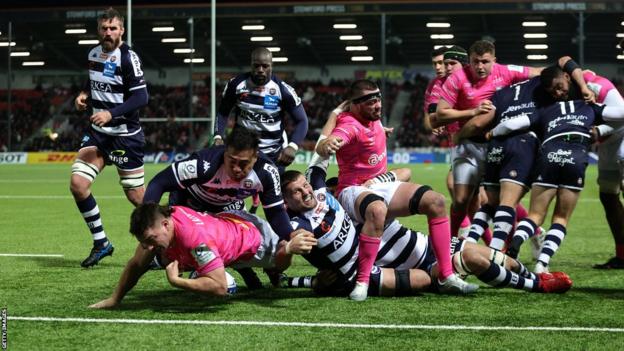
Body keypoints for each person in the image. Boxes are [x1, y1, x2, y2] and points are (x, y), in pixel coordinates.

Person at [281, 162, 572, 297]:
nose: (323, 194)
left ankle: (534, 275)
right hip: (405, 269)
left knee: (496, 256)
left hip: (424, 246)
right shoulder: (329, 217)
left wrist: (378, 180)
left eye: (331, 189)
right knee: (474, 259)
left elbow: (406, 173)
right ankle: (539, 287)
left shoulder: (359, 199)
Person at [316, 80, 472, 301]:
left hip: (381, 186)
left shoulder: (374, 120)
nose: (378, 105)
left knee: (436, 201)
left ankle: (446, 277)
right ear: (356, 105)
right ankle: (362, 281)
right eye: (371, 102)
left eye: (379, 99)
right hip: (353, 189)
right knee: (377, 210)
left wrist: (382, 130)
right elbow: (333, 139)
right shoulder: (350, 124)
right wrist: (328, 145)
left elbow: (372, 137)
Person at [486, 71, 624, 272]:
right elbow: (620, 115)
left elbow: (512, 124)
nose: (558, 92)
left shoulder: (544, 110)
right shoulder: (590, 106)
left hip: (549, 156)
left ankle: (515, 242)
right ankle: (542, 264)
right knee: (561, 218)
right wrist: (599, 131)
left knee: (535, 215)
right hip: (575, 157)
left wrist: (493, 132)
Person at [144, 126, 295, 288]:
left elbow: (276, 213)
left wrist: (291, 236)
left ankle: (256, 269)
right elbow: (158, 183)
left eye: (243, 164)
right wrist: (149, 221)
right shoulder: (203, 164)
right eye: (232, 161)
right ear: (224, 153)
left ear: (255, 158)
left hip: (227, 206)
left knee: (242, 241)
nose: (237, 169)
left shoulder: (266, 172)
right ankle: (159, 262)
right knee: (178, 253)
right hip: (191, 204)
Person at [88, 203, 316, 308]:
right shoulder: (167, 216)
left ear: (166, 224)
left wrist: (178, 281)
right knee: (150, 258)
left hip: (254, 241)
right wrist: (115, 299)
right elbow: (137, 264)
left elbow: (219, 288)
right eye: (144, 242)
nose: (147, 247)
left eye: (150, 240)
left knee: (280, 262)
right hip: (226, 222)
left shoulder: (195, 240)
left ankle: (286, 248)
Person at [436, 40, 543, 239]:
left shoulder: (506, 71)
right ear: (469, 61)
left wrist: (578, 74)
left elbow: (539, 72)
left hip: (497, 143)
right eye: (475, 62)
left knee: (501, 200)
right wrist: (473, 111)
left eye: (485, 62)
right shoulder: (457, 78)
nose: (480, 66)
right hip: (467, 143)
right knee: (460, 200)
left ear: (494, 60)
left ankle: (507, 249)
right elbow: (441, 114)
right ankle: (451, 242)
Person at [70, 8, 149, 267]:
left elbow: (141, 98)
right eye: (104, 28)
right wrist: (84, 95)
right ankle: (101, 242)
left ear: (122, 30)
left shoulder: (129, 58)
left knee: (138, 199)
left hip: (126, 136)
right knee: (78, 185)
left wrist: (110, 114)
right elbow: (94, 82)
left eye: (113, 28)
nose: (108, 33)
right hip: (98, 135)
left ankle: (166, 246)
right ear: (98, 30)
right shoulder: (93, 54)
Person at [539, 60, 624, 269]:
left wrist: (599, 131)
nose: (558, 93)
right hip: (606, 145)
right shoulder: (568, 91)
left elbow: (622, 115)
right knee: (608, 195)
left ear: (568, 77)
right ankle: (622, 255)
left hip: (621, 136)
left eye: (559, 87)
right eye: (553, 92)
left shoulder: (598, 86)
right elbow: (563, 61)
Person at [214, 47, 308, 172]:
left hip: (273, 155)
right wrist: (218, 136)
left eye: (265, 66)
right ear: (251, 65)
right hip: (241, 153)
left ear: (271, 66)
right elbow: (222, 112)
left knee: (271, 191)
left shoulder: (283, 90)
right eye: (256, 66)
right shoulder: (236, 84)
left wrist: (293, 146)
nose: (260, 70)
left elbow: (302, 121)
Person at [425, 45, 475, 239]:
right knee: (471, 197)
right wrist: (435, 121)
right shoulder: (437, 85)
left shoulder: (467, 82)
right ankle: (467, 231)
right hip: (458, 144)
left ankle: (462, 231)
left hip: (477, 142)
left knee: (463, 190)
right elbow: (432, 112)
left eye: (445, 63)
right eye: (437, 63)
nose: (441, 67)